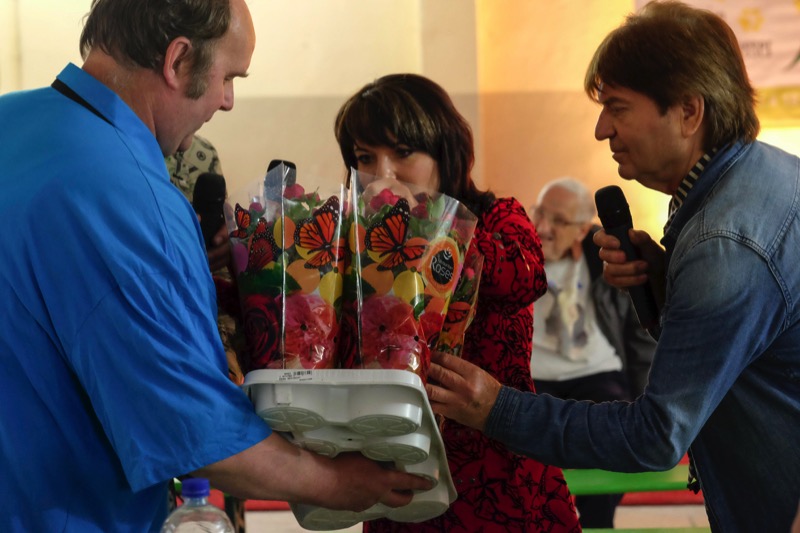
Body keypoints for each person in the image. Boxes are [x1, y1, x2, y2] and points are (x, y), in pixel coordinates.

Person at [0, 1, 431, 531]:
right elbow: (195, 432)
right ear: (178, 61)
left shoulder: (9, 121)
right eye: (228, 78)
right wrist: (337, 482)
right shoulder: (131, 197)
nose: (227, 101)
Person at [425, 1, 800, 531]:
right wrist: (666, 288)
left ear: (689, 112)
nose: (602, 129)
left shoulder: (724, 245)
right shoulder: (768, 175)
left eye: (618, 108)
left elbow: (655, 435)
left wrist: (495, 408)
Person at [335, 73, 580, 532]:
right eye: (365, 158)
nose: (383, 174)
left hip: (500, 478)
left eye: (402, 153)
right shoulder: (355, 241)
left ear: (444, 152)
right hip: (400, 481)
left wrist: (426, 220)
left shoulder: (498, 217)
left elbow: (524, 279)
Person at [529, 177, 656, 528]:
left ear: (583, 229)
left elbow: (639, 333)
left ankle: (599, 523)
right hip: (532, 373)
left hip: (597, 369)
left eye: (559, 221)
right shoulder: (514, 252)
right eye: (539, 214)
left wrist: (648, 396)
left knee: (613, 428)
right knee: (519, 437)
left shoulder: (609, 259)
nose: (543, 228)